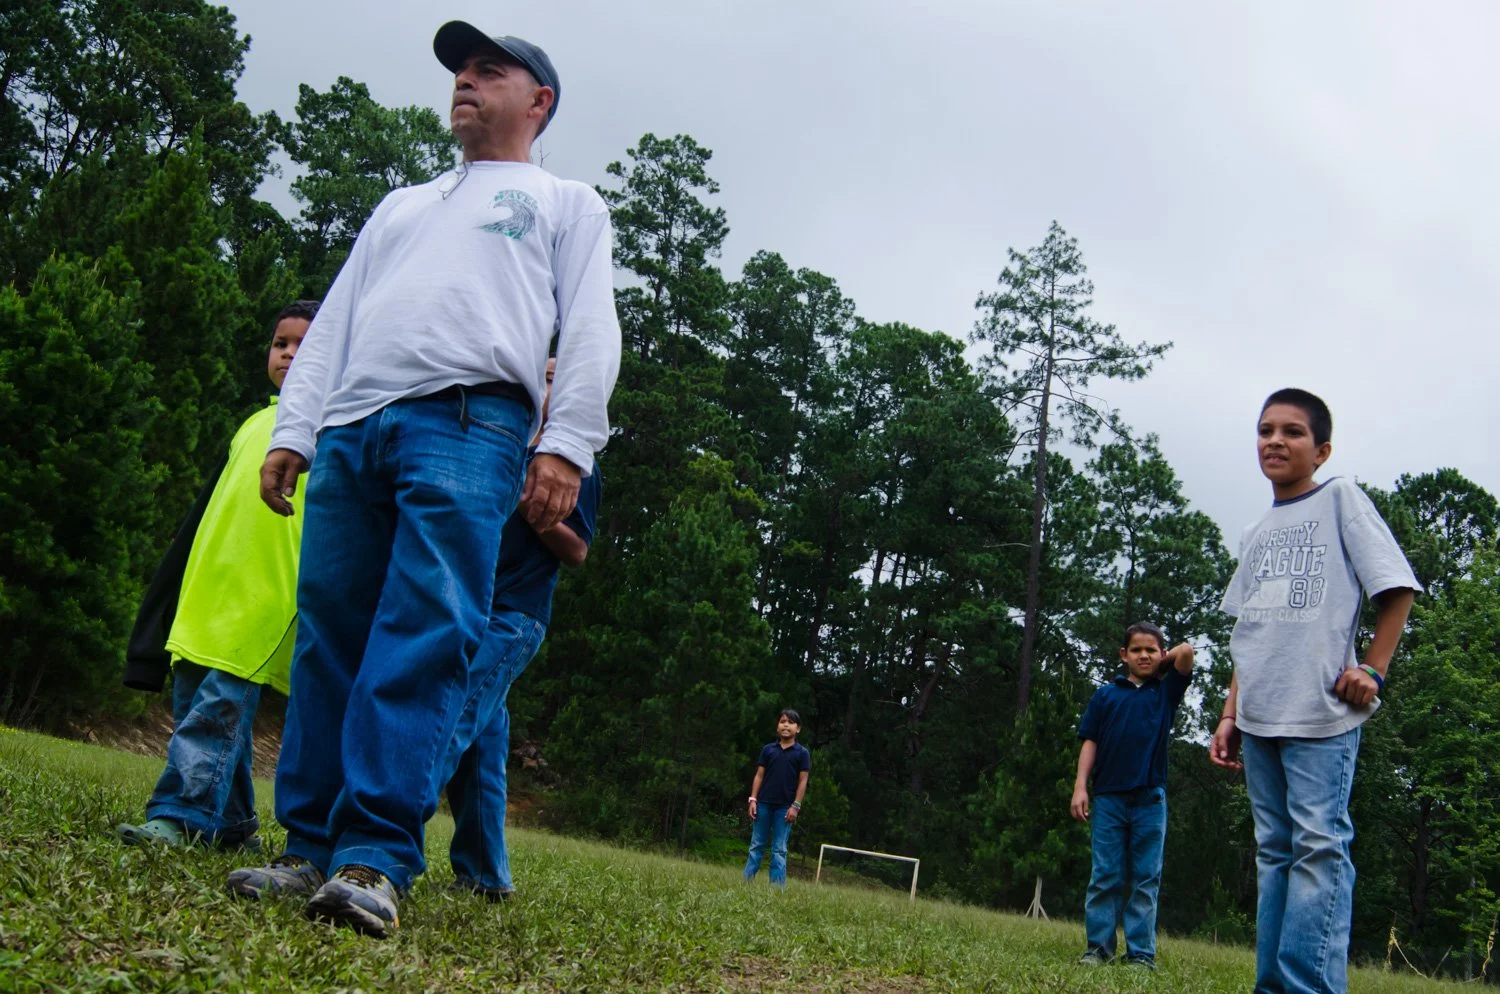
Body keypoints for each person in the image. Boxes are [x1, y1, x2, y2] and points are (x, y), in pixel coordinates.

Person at [226, 21, 620, 939]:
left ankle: (374, 858)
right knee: (331, 635)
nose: (467, 82)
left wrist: (566, 444)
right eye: (460, 71)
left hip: (472, 420)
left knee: (425, 630)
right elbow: (333, 324)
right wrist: (296, 428)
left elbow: (592, 328)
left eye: (491, 70)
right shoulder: (401, 204)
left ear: (540, 102)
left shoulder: (563, 201)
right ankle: (307, 846)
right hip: (357, 425)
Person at [1211, 388, 1419, 994]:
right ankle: (1272, 985)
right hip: (1258, 718)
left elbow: (1396, 589)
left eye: (1293, 432)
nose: (1275, 440)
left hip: (1321, 716)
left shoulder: (1340, 500)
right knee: (1274, 853)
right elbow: (1251, 631)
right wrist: (1229, 712)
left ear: (1322, 450)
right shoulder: (1256, 531)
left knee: (1318, 852)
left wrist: (1373, 671)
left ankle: (1304, 987)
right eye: (1265, 429)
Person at [117, 300, 317, 850]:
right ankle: (233, 827)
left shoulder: (331, 425)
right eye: (281, 343)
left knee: (217, 708)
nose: (290, 354)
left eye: (305, 345)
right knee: (193, 702)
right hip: (210, 590)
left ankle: (181, 815)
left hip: (268, 595)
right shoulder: (254, 423)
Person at [443, 357, 601, 901]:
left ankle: (379, 839)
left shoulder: (573, 463)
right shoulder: (501, 441)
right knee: (484, 745)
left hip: (516, 615)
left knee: (450, 713)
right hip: (468, 602)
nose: (547, 383)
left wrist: (539, 508)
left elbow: (578, 551)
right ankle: (486, 875)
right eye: (544, 373)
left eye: (560, 377)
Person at [1071, 623, 1195, 969]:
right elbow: (1089, 741)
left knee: (1145, 879)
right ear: (1123, 655)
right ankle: (1098, 949)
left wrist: (1161, 663)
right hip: (1108, 797)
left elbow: (1186, 651)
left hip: (1150, 800)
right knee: (1105, 875)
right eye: (1136, 650)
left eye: (1151, 651)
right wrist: (1081, 786)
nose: (1144, 656)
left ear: (1160, 654)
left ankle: (1141, 954)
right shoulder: (1106, 695)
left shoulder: (1166, 691)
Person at [743, 709, 810, 887]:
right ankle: (746, 883)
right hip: (763, 804)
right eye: (782, 721)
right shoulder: (768, 750)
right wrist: (753, 799)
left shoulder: (802, 753)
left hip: (785, 808)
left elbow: (803, 781)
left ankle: (776, 889)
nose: (785, 725)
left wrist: (795, 806)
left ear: (798, 729)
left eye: (790, 722)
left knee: (779, 850)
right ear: (777, 726)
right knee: (756, 845)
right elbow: (759, 776)